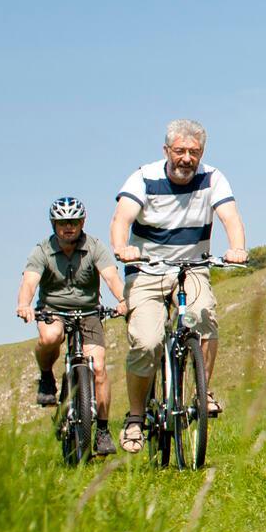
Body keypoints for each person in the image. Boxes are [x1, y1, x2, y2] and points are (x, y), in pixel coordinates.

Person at [108, 119, 247, 453]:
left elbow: (230, 217)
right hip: (147, 270)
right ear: (166, 150)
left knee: (203, 317)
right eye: (180, 151)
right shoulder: (143, 177)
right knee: (147, 341)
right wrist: (121, 248)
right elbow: (121, 219)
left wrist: (238, 247)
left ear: (202, 153)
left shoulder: (213, 178)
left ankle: (202, 391)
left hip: (192, 267)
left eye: (194, 152)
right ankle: (136, 419)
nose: (187, 158)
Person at [14, 197, 129, 456]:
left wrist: (123, 300)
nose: (69, 227)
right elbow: (30, 281)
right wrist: (24, 304)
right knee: (51, 337)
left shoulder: (95, 247)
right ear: (54, 225)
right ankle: (46, 377)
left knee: (98, 367)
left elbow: (111, 276)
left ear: (82, 223)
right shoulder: (42, 250)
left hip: (89, 312)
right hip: (53, 311)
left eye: (74, 222)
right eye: (63, 223)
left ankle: (101, 430)